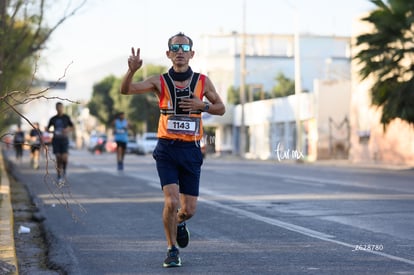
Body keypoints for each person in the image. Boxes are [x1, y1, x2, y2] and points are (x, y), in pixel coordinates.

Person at [120, 32, 225, 268]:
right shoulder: (159, 82)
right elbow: (126, 90)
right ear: (168, 54)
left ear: (191, 53)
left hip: (191, 150)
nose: (180, 51)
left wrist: (203, 105)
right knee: (171, 201)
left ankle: (179, 222)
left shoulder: (202, 82)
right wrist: (132, 71)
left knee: (188, 210)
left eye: (184, 47)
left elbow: (221, 108)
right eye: (175, 48)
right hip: (167, 148)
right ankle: (172, 249)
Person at [46, 102, 74, 184]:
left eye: (61, 107)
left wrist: (67, 130)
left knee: (64, 157)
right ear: (56, 108)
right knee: (58, 158)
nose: (59, 109)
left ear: (63, 108)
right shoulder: (53, 119)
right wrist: (52, 131)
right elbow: (47, 129)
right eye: (58, 108)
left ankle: (64, 171)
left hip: (64, 140)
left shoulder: (66, 117)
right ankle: (59, 176)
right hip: (56, 140)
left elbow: (73, 127)